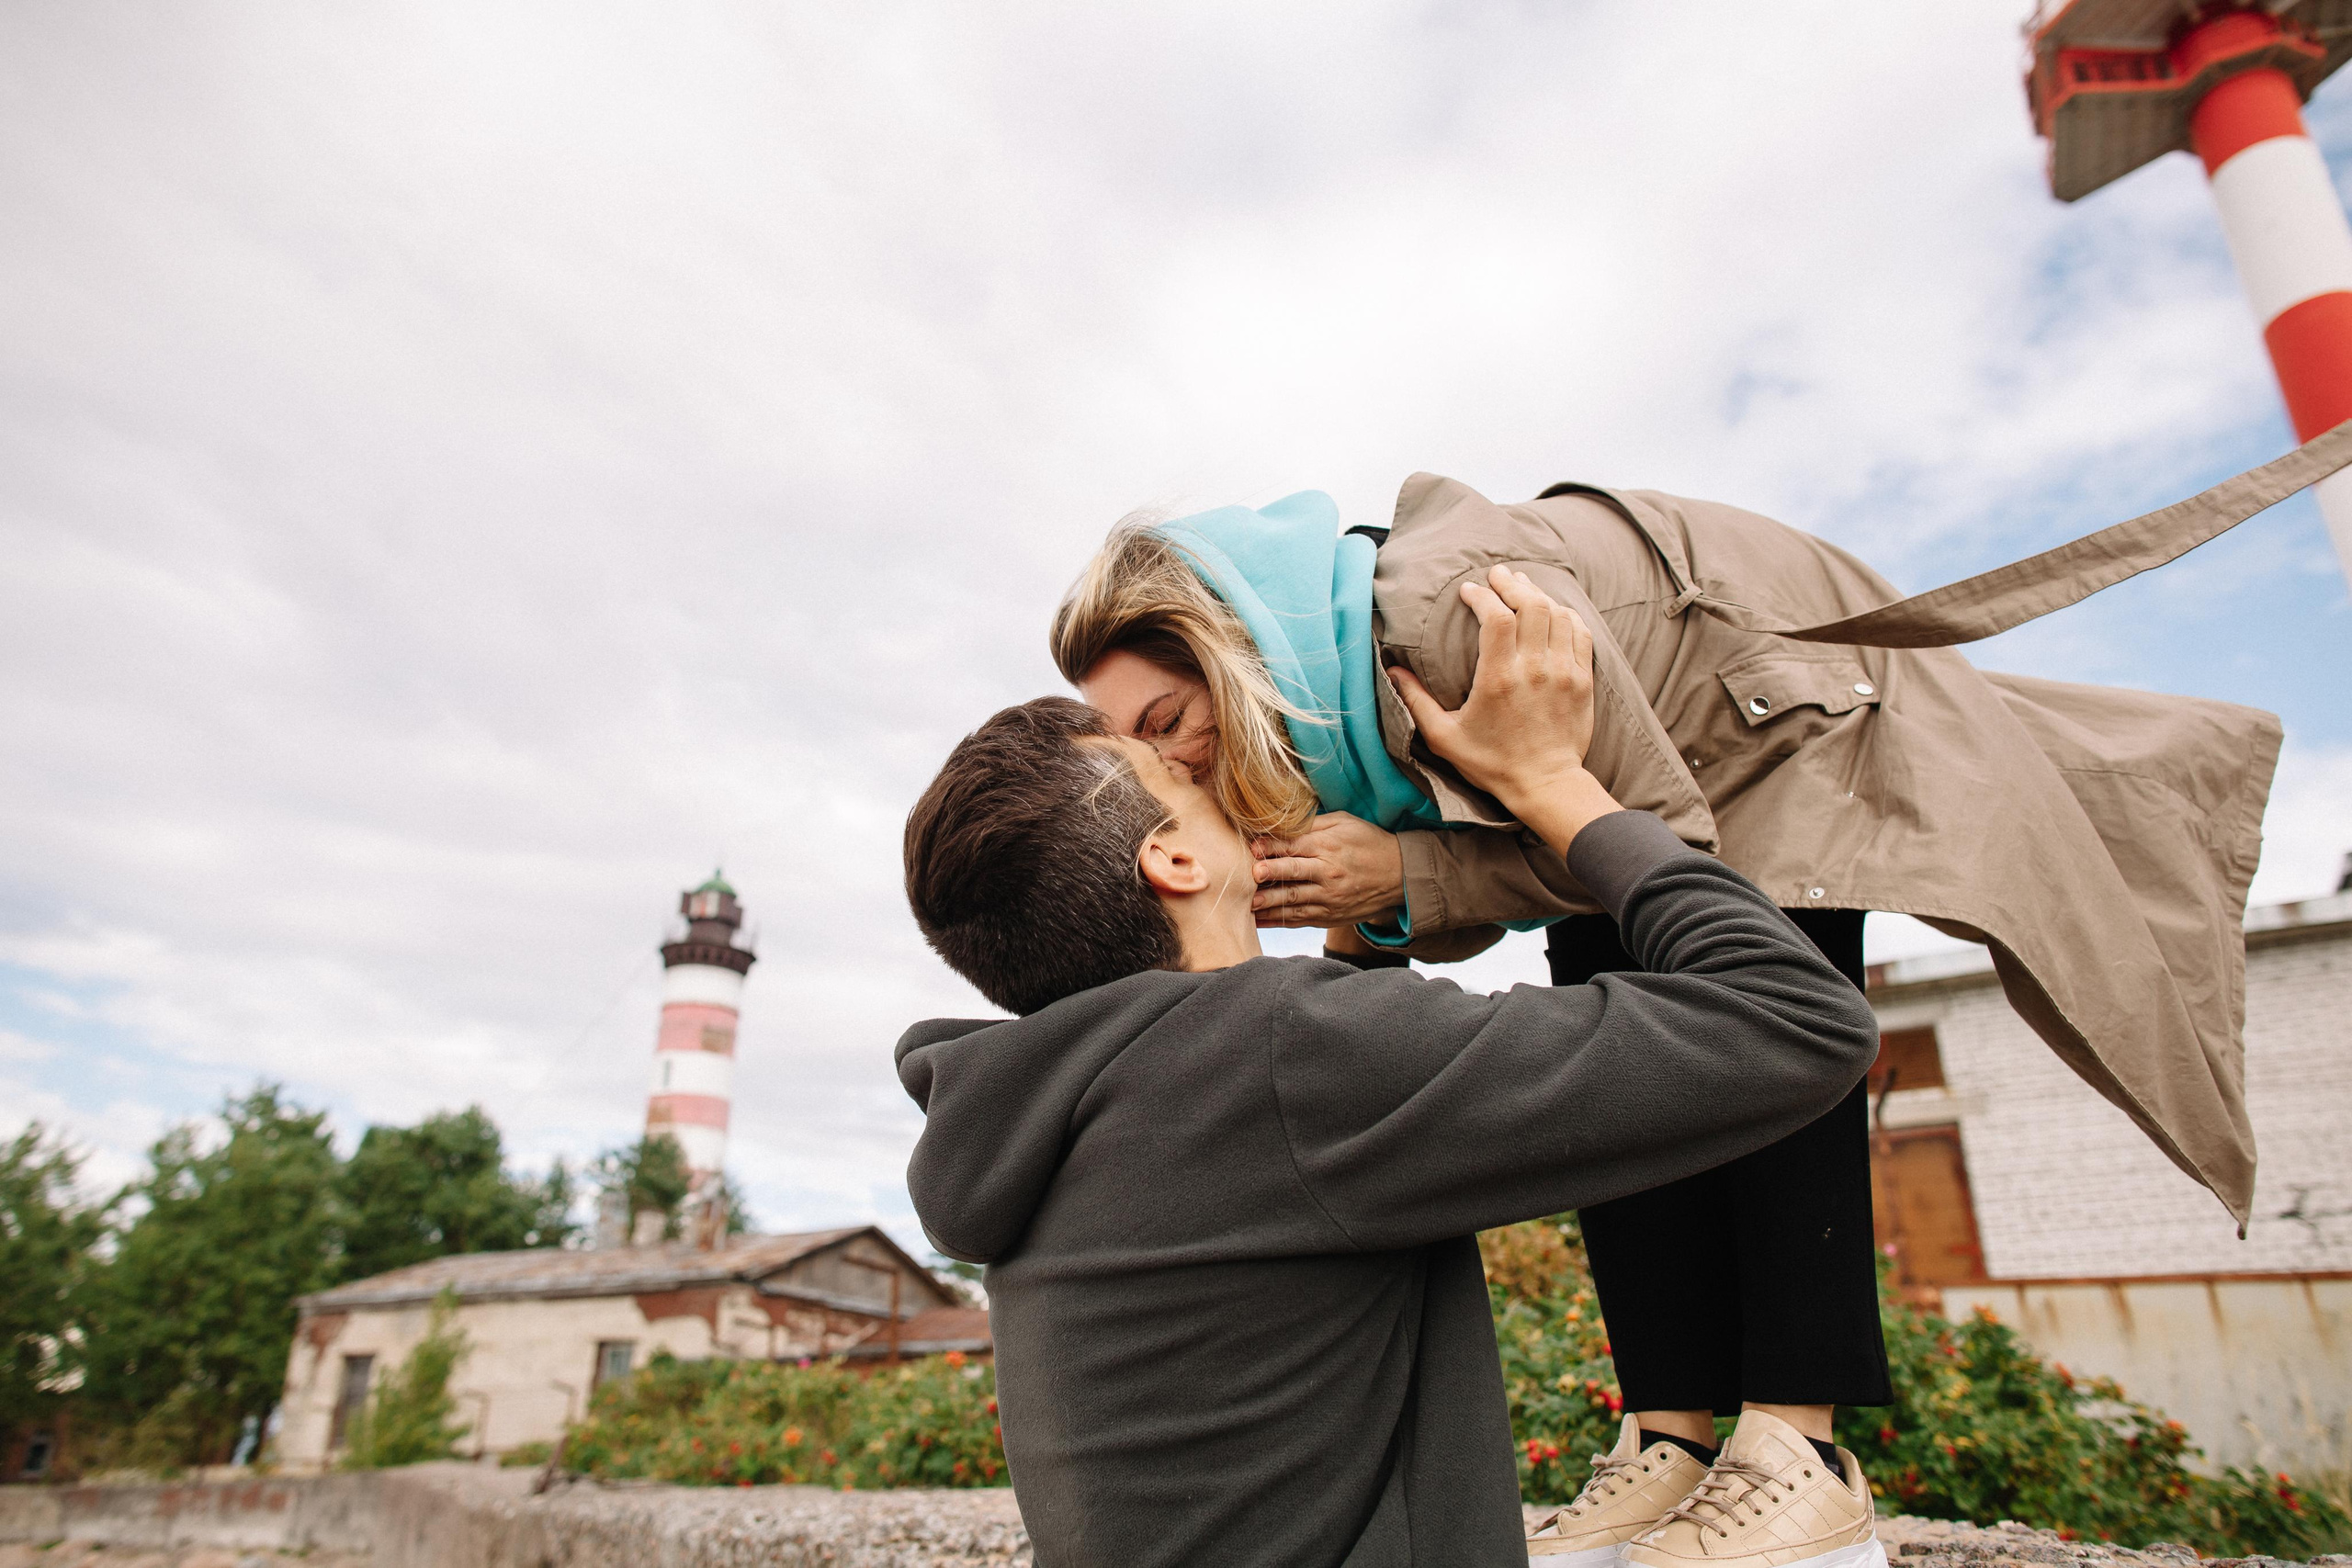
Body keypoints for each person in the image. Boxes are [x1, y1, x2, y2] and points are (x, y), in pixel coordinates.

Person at [1046, 425, 2352, 1560]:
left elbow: (1664, 839)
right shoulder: (1310, 712)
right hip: (1644, 776)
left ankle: (1803, 1446)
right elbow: (1511, 886)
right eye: (1141, 747)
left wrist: (1411, 870)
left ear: (1227, 643)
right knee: (1609, 1027)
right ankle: (1667, 1429)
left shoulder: (1450, 618)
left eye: (1170, 717)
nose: (1180, 757)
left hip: (1773, 728)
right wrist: (1369, 909)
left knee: (1746, 1005)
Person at [899, 567, 1883, 1568]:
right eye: (1177, 779)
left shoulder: (1042, 1112)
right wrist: (1548, 782)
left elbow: (1294, 1149)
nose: (1210, 768)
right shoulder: (1292, 1058)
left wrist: (1363, 924)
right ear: (1175, 862)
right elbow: (1798, 1021)